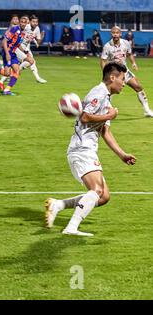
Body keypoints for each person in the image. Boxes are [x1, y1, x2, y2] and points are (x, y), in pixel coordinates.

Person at [45, 62, 136, 236]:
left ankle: (58, 205)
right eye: (123, 79)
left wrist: (121, 155)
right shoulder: (99, 92)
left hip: (88, 150)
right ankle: (71, 227)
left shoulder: (106, 98)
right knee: (97, 190)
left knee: (103, 197)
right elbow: (85, 117)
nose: (124, 83)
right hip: (81, 149)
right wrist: (110, 115)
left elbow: (105, 132)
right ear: (112, 77)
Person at [101, 26, 153, 117]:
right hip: (114, 73)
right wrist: (105, 72)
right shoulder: (107, 46)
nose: (115, 34)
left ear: (120, 34)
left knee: (138, 87)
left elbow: (129, 54)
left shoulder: (125, 43)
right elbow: (103, 60)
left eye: (117, 33)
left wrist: (133, 63)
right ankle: (104, 111)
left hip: (124, 71)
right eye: (113, 33)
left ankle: (147, 111)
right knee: (109, 92)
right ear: (111, 34)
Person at [0, 15, 29, 95]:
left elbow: (17, 44)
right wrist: (7, 54)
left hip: (13, 53)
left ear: (27, 23)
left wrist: (25, 51)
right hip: (7, 52)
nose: (23, 24)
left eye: (25, 22)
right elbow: (4, 41)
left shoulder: (23, 32)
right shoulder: (14, 29)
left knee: (16, 72)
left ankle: (7, 90)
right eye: (22, 22)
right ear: (19, 22)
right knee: (8, 73)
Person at [13, 14, 47, 85]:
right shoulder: (25, 27)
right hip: (18, 48)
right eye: (33, 21)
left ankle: (37, 78)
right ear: (30, 22)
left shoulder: (37, 29)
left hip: (26, 48)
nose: (35, 23)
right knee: (30, 61)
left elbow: (38, 44)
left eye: (36, 22)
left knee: (32, 62)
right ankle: (14, 73)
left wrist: (42, 36)